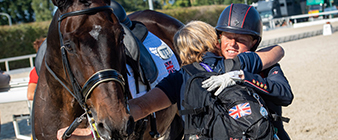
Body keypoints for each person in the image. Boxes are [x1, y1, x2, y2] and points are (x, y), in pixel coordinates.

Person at [57, 19, 285, 139]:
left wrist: (88, 131)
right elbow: (277, 51)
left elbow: (141, 107)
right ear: (214, 42)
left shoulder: (180, 78)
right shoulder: (237, 63)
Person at [210, 4, 293, 140]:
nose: (232, 44)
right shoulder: (212, 65)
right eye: (227, 37)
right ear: (219, 37)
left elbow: (285, 94)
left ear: (253, 42)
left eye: (240, 40)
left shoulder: (267, 66)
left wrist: (244, 77)